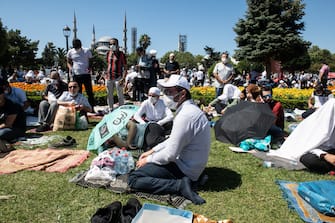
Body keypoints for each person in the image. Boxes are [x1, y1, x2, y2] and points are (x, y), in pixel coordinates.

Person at [128, 74, 211, 205]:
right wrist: (152, 151)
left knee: (134, 178)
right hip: (192, 165)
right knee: (152, 158)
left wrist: (147, 160)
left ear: (182, 93)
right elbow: (173, 139)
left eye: (169, 91)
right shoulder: (189, 110)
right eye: (164, 91)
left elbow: (170, 155)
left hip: (185, 168)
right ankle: (192, 180)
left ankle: (179, 185)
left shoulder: (186, 115)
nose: (165, 95)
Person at [67, 38, 95, 109]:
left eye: (78, 47)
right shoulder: (70, 52)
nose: (77, 49)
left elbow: (91, 60)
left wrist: (89, 67)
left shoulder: (87, 51)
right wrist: (71, 68)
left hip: (86, 74)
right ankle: (78, 107)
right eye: (76, 47)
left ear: (81, 45)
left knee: (89, 92)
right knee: (78, 93)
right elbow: (68, 62)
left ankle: (91, 108)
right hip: (76, 75)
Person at [105, 38, 127, 111]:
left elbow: (125, 67)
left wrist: (123, 78)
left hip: (118, 77)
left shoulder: (121, 54)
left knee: (120, 95)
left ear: (117, 45)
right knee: (109, 95)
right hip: (109, 77)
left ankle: (121, 109)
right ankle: (110, 109)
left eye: (114, 44)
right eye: (110, 44)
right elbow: (107, 64)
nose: (112, 45)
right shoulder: (108, 53)